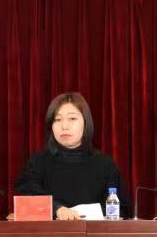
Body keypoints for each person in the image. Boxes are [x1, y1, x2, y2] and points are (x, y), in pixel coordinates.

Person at [12, 92, 129, 220]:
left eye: (72, 119)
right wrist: (56, 209)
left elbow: (121, 209)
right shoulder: (38, 162)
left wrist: (83, 214)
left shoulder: (105, 164)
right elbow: (26, 198)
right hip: (48, 232)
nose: (64, 126)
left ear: (86, 123)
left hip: (93, 231)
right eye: (57, 120)